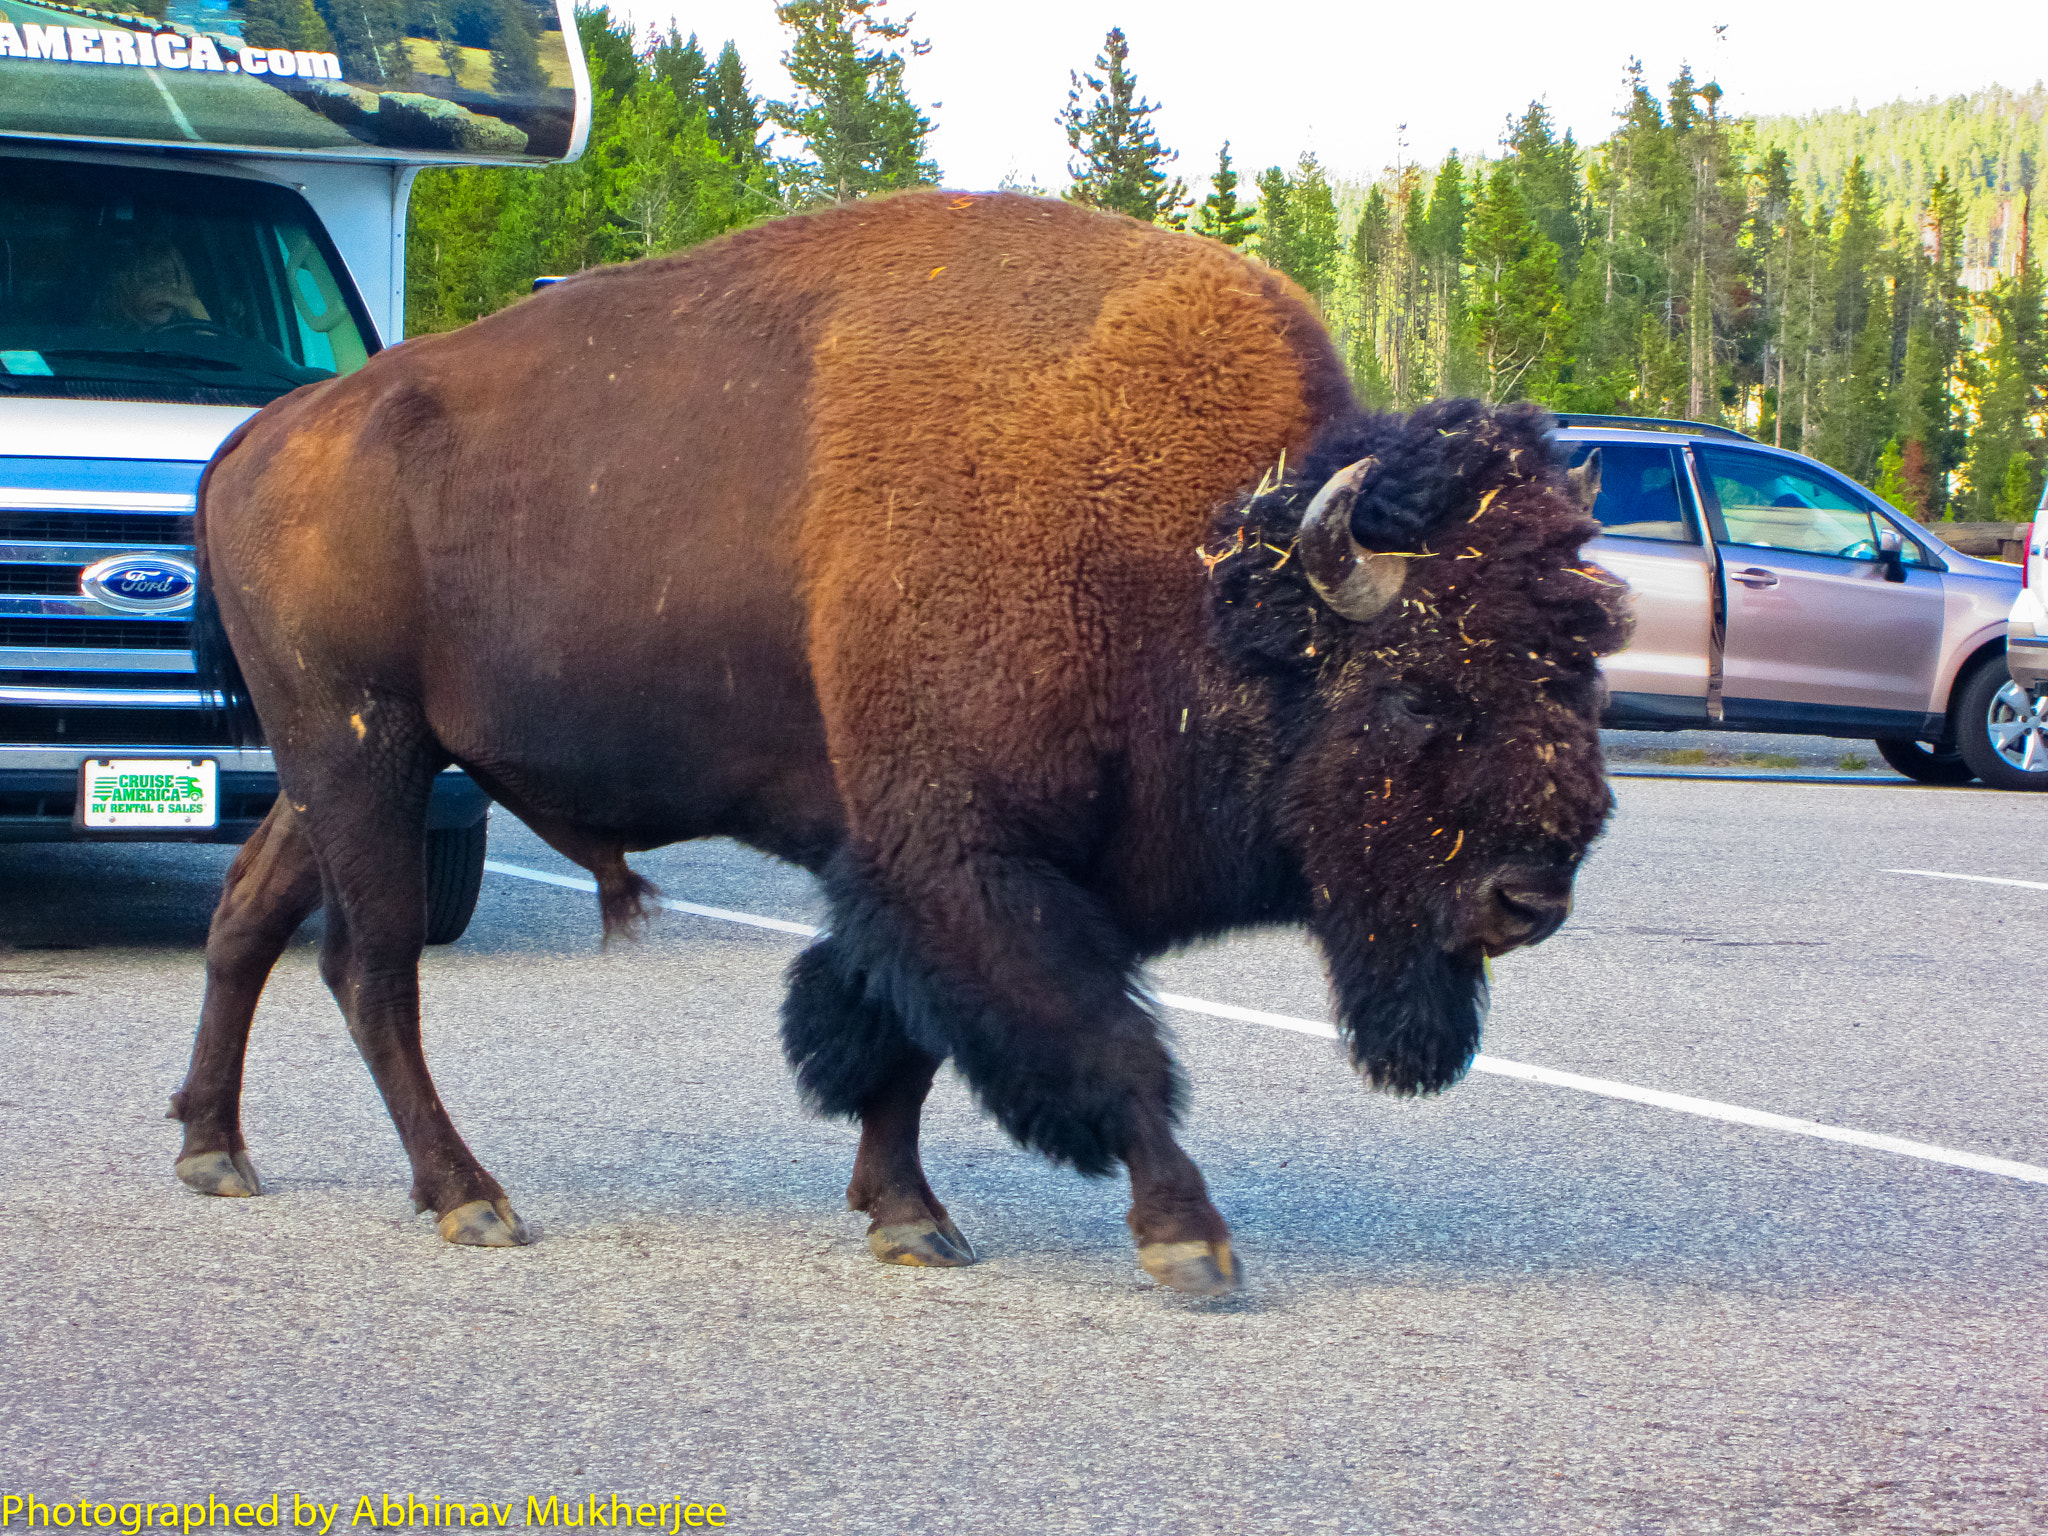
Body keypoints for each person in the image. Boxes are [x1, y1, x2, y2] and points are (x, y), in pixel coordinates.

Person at [95, 242, 210, 330]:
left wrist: (194, 305)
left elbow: (211, 353)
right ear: (125, 290)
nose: (161, 287)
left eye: (168, 277)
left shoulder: (191, 335)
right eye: (149, 280)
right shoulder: (105, 335)